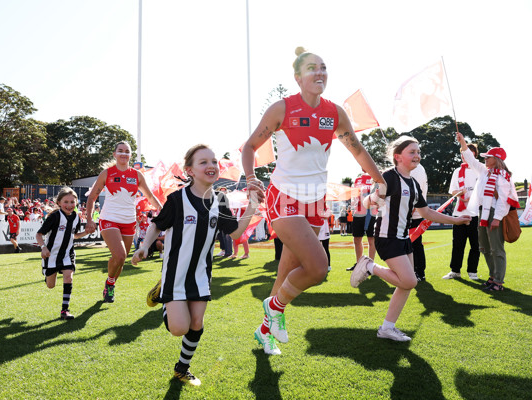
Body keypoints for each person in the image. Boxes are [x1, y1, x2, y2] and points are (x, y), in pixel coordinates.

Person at [242, 47, 387, 355]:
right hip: (284, 197)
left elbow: (358, 150)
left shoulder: (334, 112)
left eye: (323, 67)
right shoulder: (281, 109)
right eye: (312, 68)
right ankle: (276, 306)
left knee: (285, 274)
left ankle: (265, 329)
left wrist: (380, 179)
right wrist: (252, 177)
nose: (319, 73)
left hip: (316, 203)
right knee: (319, 268)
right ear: (298, 77)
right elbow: (250, 146)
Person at [132, 144, 261, 386]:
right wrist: (144, 247)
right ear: (189, 170)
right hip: (175, 273)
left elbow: (234, 234)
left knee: (197, 323)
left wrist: (253, 205)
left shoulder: (220, 200)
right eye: (203, 162)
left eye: (214, 161)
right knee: (179, 328)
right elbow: (157, 224)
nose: (211, 165)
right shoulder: (177, 199)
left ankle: (182, 369)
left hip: (201, 274)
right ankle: (163, 293)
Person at [350, 136, 471, 342]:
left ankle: (387, 328)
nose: (417, 155)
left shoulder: (414, 184)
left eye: (418, 152)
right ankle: (369, 267)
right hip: (387, 237)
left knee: (405, 285)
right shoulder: (387, 176)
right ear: (398, 157)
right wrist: (373, 198)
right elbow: (365, 201)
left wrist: (456, 220)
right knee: (409, 280)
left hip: (404, 238)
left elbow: (427, 213)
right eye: (412, 152)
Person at [85, 141, 162, 303]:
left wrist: (162, 209)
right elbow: (92, 197)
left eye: (127, 151)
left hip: (129, 222)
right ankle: (110, 283)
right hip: (109, 219)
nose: (123, 154)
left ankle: (110, 283)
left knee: (120, 260)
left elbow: (149, 196)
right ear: (114, 154)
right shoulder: (107, 173)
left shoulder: (137, 175)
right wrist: (90, 219)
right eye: (120, 151)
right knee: (119, 256)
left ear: (130, 155)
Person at [456, 132, 519, 291]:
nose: (485, 159)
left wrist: (497, 218)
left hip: (493, 214)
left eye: (488, 157)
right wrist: (463, 141)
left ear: (497, 159)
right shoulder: (485, 171)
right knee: (484, 246)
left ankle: (498, 281)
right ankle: (492, 276)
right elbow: (470, 159)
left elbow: (504, 200)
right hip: (483, 213)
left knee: (496, 248)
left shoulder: (503, 176)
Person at [36, 188, 90, 320]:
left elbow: (74, 235)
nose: (69, 205)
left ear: (76, 203)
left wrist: (86, 232)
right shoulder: (54, 217)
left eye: (72, 202)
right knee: (51, 286)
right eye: (66, 201)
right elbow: (39, 234)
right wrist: (43, 247)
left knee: (68, 277)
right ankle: (47, 274)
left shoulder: (76, 217)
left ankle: (65, 310)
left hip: (67, 254)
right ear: (59, 202)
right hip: (51, 255)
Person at [444, 144, 481, 280]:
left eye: (469, 154)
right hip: (459, 213)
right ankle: (455, 271)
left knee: (475, 244)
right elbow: (452, 191)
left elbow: (483, 191)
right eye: (464, 154)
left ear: (474, 155)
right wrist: (460, 193)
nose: (466, 156)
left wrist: (473, 198)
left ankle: (472, 271)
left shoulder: (479, 170)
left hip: (474, 213)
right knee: (458, 244)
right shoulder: (457, 171)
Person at [347, 172, 377, 271]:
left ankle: (370, 265)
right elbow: (354, 196)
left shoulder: (375, 177)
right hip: (358, 213)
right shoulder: (357, 179)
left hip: (371, 213)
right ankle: (359, 264)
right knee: (357, 240)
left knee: (371, 239)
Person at [409, 163, 428, 281]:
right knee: (412, 244)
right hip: (412, 214)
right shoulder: (416, 168)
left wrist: (409, 212)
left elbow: (416, 194)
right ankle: (415, 271)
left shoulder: (416, 169)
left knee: (414, 244)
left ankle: (419, 272)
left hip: (413, 215)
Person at [318, 206, 332, 272]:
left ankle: (328, 265)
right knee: (316, 250)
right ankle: (317, 265)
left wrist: (320, 215)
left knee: (326, 248)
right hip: (317, 230)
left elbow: (327, 216)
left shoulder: (327, 208)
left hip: (325, 231)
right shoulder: (316, 208)